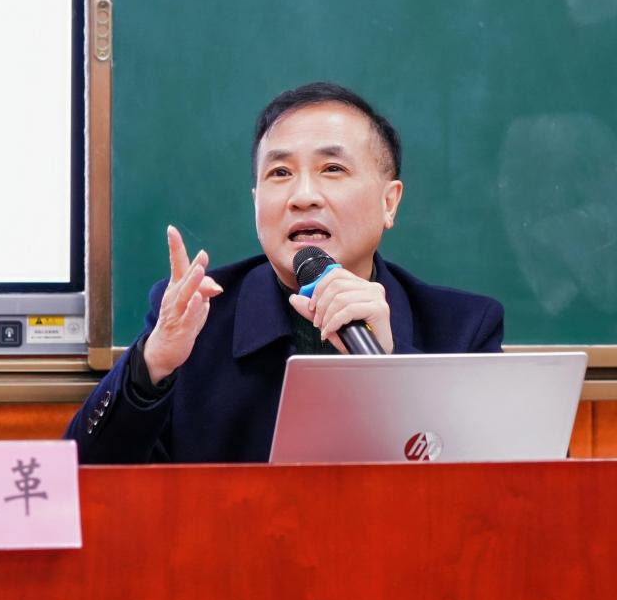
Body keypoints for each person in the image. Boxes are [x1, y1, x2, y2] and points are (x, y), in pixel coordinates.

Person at [66, 82, 504, 462]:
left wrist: (391, 367)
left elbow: (500, 492)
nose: (303, 195)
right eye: (280, 172)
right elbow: (81, 483)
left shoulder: (463, 329)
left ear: (388, 203)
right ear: (256, 201)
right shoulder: (197, 320)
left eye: (332, 169)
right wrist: (152, 364)